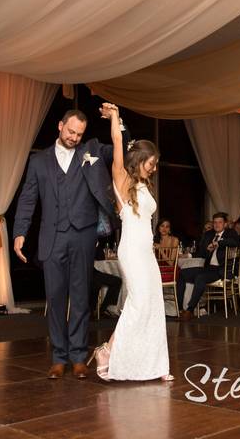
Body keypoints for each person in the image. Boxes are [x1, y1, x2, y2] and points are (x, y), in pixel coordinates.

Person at [12, 106, 126, 379]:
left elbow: (124, 149)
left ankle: (77, 356)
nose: (74, 137)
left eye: (79, 134)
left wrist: (116, 121)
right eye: (71, 131)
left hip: (83, 235)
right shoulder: (39, 161)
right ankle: (58, 357)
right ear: (60, 126)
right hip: (52, 237)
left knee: (80, 297)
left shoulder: (93, 151)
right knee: (55, 297)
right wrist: (20, 232)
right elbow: (28, 198)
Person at [89, 105, 171, 381]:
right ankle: (107, 351)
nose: (155, 168)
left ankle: (157, 365)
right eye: (152, 163)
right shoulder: (122, 178)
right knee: (138, 302)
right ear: (140, 159)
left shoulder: (144, 185)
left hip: (146, 252)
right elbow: (116, 142)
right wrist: (114, 118)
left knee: (153, 302)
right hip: (131, 252)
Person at [176, 212, 240, 320]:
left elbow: (235, 242)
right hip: (208, 268)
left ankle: (189, 310)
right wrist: (188, 255)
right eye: (215, 222)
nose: (217, 225)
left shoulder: (231, 233)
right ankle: (180, 310)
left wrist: (218, 243)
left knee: (200, 278)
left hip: (221, 270)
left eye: (220, 222)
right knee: (183, 273)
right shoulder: (209, 234)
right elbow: (200, 252)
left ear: (225, 224)